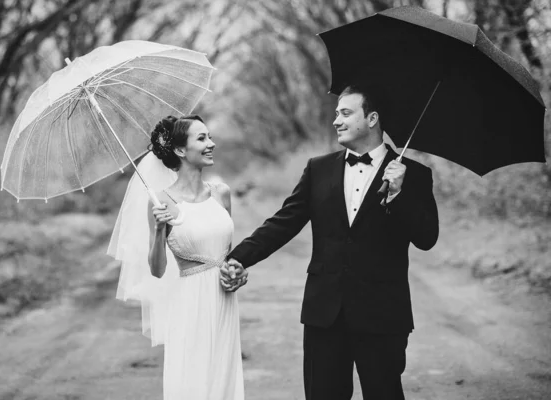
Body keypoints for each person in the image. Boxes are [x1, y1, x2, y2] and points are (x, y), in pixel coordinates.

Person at [221, 85, 439, 399]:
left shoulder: (414, 174)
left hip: (382, 312)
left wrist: (398, 194)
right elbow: (284, 222)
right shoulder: (318, 169)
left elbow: (427, 238)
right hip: (324, 312)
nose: (336, 121)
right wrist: (240, 256)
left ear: (372, 118)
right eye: (336, 114)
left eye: (346, 113)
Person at [108, 115, 245, 400]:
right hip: (189, 303)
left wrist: (238, 273)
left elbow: (228, 255)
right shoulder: (161, 201)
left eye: (209, 136)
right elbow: (157, 270)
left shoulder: (222, 194)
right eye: (202, 138)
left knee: (223, 379)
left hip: (224, 301)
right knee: (193, 382)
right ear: (181, 151)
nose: (212, 144)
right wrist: (159, 230)